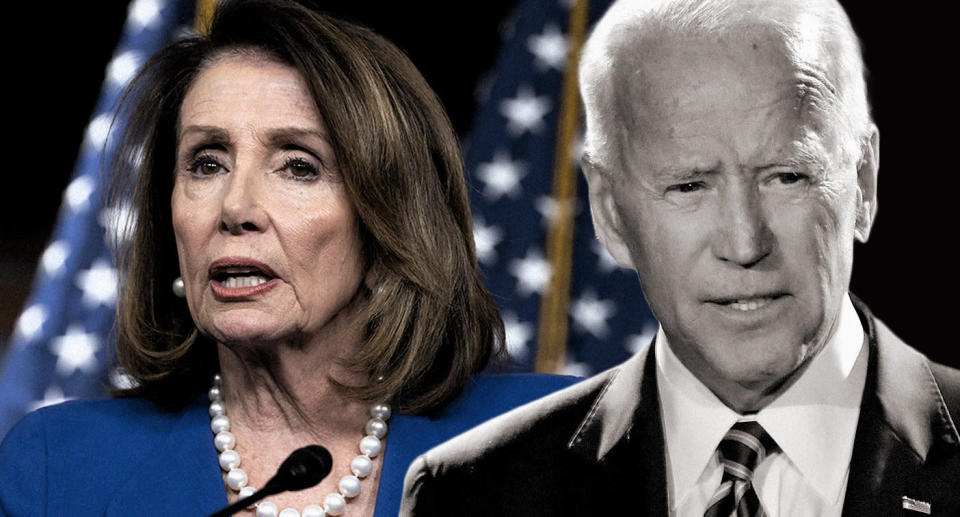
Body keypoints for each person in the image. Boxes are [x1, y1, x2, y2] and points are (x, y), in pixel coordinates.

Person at [0, 1, 577, 516]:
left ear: (388, 227)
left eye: (299, 166)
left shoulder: (553, 441)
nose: (236, 207)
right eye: (206, 162)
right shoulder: (60, 467)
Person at [400, 0, 960, 515]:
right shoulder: (471, 493)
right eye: (690, 186)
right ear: (609, 211)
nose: (744, 246)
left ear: (862, 183)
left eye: (786, 176)